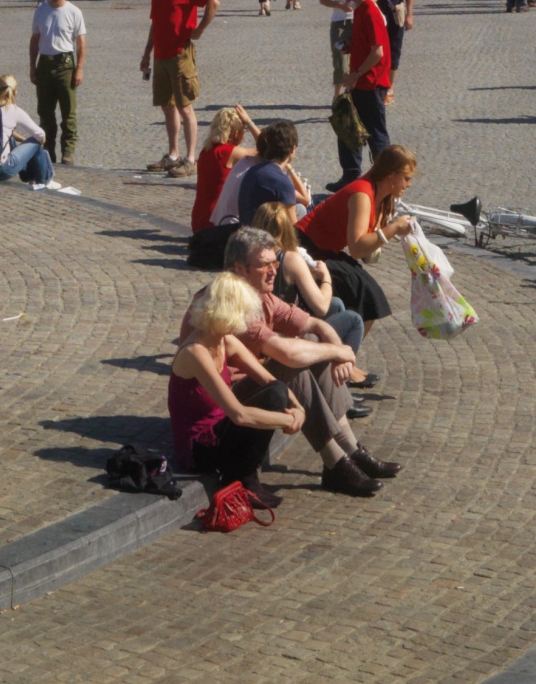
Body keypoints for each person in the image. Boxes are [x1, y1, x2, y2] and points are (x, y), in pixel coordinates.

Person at [218, 223, 396, 495]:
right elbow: (287, 353)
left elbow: (315, 323)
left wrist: (338, 350)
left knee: (313, 343)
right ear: (239, 268)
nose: (274, 271)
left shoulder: (261, 296)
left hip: (253, 388)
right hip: (225, 406)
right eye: (264, 265)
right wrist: (340, 352)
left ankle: (349, 450)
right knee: (297, 362)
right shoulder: (234, 304)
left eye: (274, 262)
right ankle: (336, 462)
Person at [168, 269, 307, 509]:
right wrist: (286, 419)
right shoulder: (195, 352)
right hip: (200, 448)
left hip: (221, 430)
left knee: (276, 390)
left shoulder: (224, 340)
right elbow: (238, 414)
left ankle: (245, 474)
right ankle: (245, 478)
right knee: (274, 397)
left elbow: (268, 379)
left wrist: (299, 408)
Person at [298, 144, 418, 335]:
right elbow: (357, 248)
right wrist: (393, 229)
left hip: (323, 250)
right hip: (306, 249)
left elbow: (365, 249)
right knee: (370, 296)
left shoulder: (380, 195)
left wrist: (389, 230)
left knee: (367, 295)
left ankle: (340, 351)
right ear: (391, 175)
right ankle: (343, 355)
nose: (409, 184)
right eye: (406, 178)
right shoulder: (362, 194)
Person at [250, 198, 366, 359]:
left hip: (266, 324)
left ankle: (333, 362)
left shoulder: (250, 254)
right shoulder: (289, 259)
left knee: (337, 304)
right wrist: (326, 277)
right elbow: (321, 307)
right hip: (283, 333)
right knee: (354, 320)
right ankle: (345, 369)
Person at [138, 0, 216, 175]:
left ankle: (191, 159)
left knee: (185, 107)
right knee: (167, 106)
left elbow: (213, 3)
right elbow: (155, 24)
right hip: (161, 56)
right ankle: (173, 154)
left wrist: (199, 30)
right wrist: (146, 54)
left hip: (180, 54)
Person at [333, 0, 393, 175]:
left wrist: (355, 74)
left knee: (376, 134)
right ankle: (350, 174)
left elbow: (378, 52)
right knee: (348, 128)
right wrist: (350, 45)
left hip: (371, 82)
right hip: (361, 82)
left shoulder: (370, 11)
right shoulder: (359, 10)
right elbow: (368, 45)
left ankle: (384, 177)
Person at [189, 104, 260, 267]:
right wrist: (249, 122)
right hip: (215, 223)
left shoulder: (205, 151)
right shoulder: (231, 153)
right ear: (236, 133)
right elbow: (269, 149)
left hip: (198, 220)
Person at [28, 0, 87, 164]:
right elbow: (35, 40)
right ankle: (49, 151)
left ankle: (68, 152)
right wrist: (32, 66)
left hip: (66, 65)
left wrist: (79, 68)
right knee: (45, 113)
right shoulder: (41, 11)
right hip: (45, 63)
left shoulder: (74, 12)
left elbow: (81, 43)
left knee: (68, 112)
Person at [236, 120, 310, 223]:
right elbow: (294, 230)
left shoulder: (252, 171)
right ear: (292, 149)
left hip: (246, 230)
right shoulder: (283, 183)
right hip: (267, 236)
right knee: (302, 211)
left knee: (300, 209)